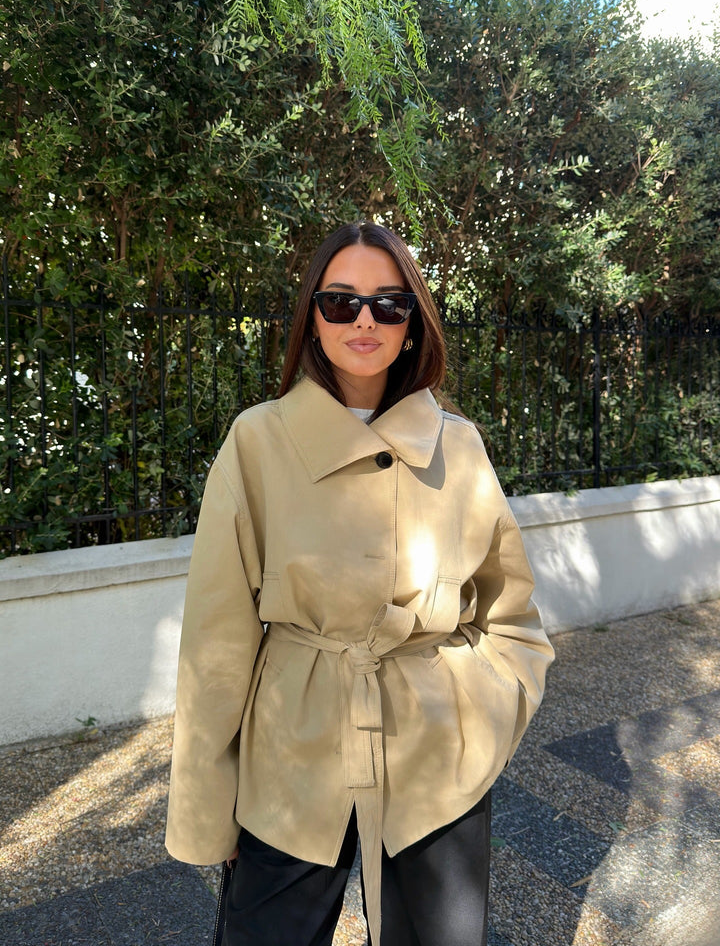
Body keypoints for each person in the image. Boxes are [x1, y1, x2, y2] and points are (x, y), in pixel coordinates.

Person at [165, 222, 554, 946]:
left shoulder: (459, 446)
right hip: (293, 753)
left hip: (436, 754)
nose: (365, 319)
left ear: (414, 321)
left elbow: (511, 611)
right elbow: (215, 643)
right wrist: (205, 807)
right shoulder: (258, 441)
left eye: (388, 302)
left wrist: (487, 714)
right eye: (341, 302)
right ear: (313, 316)